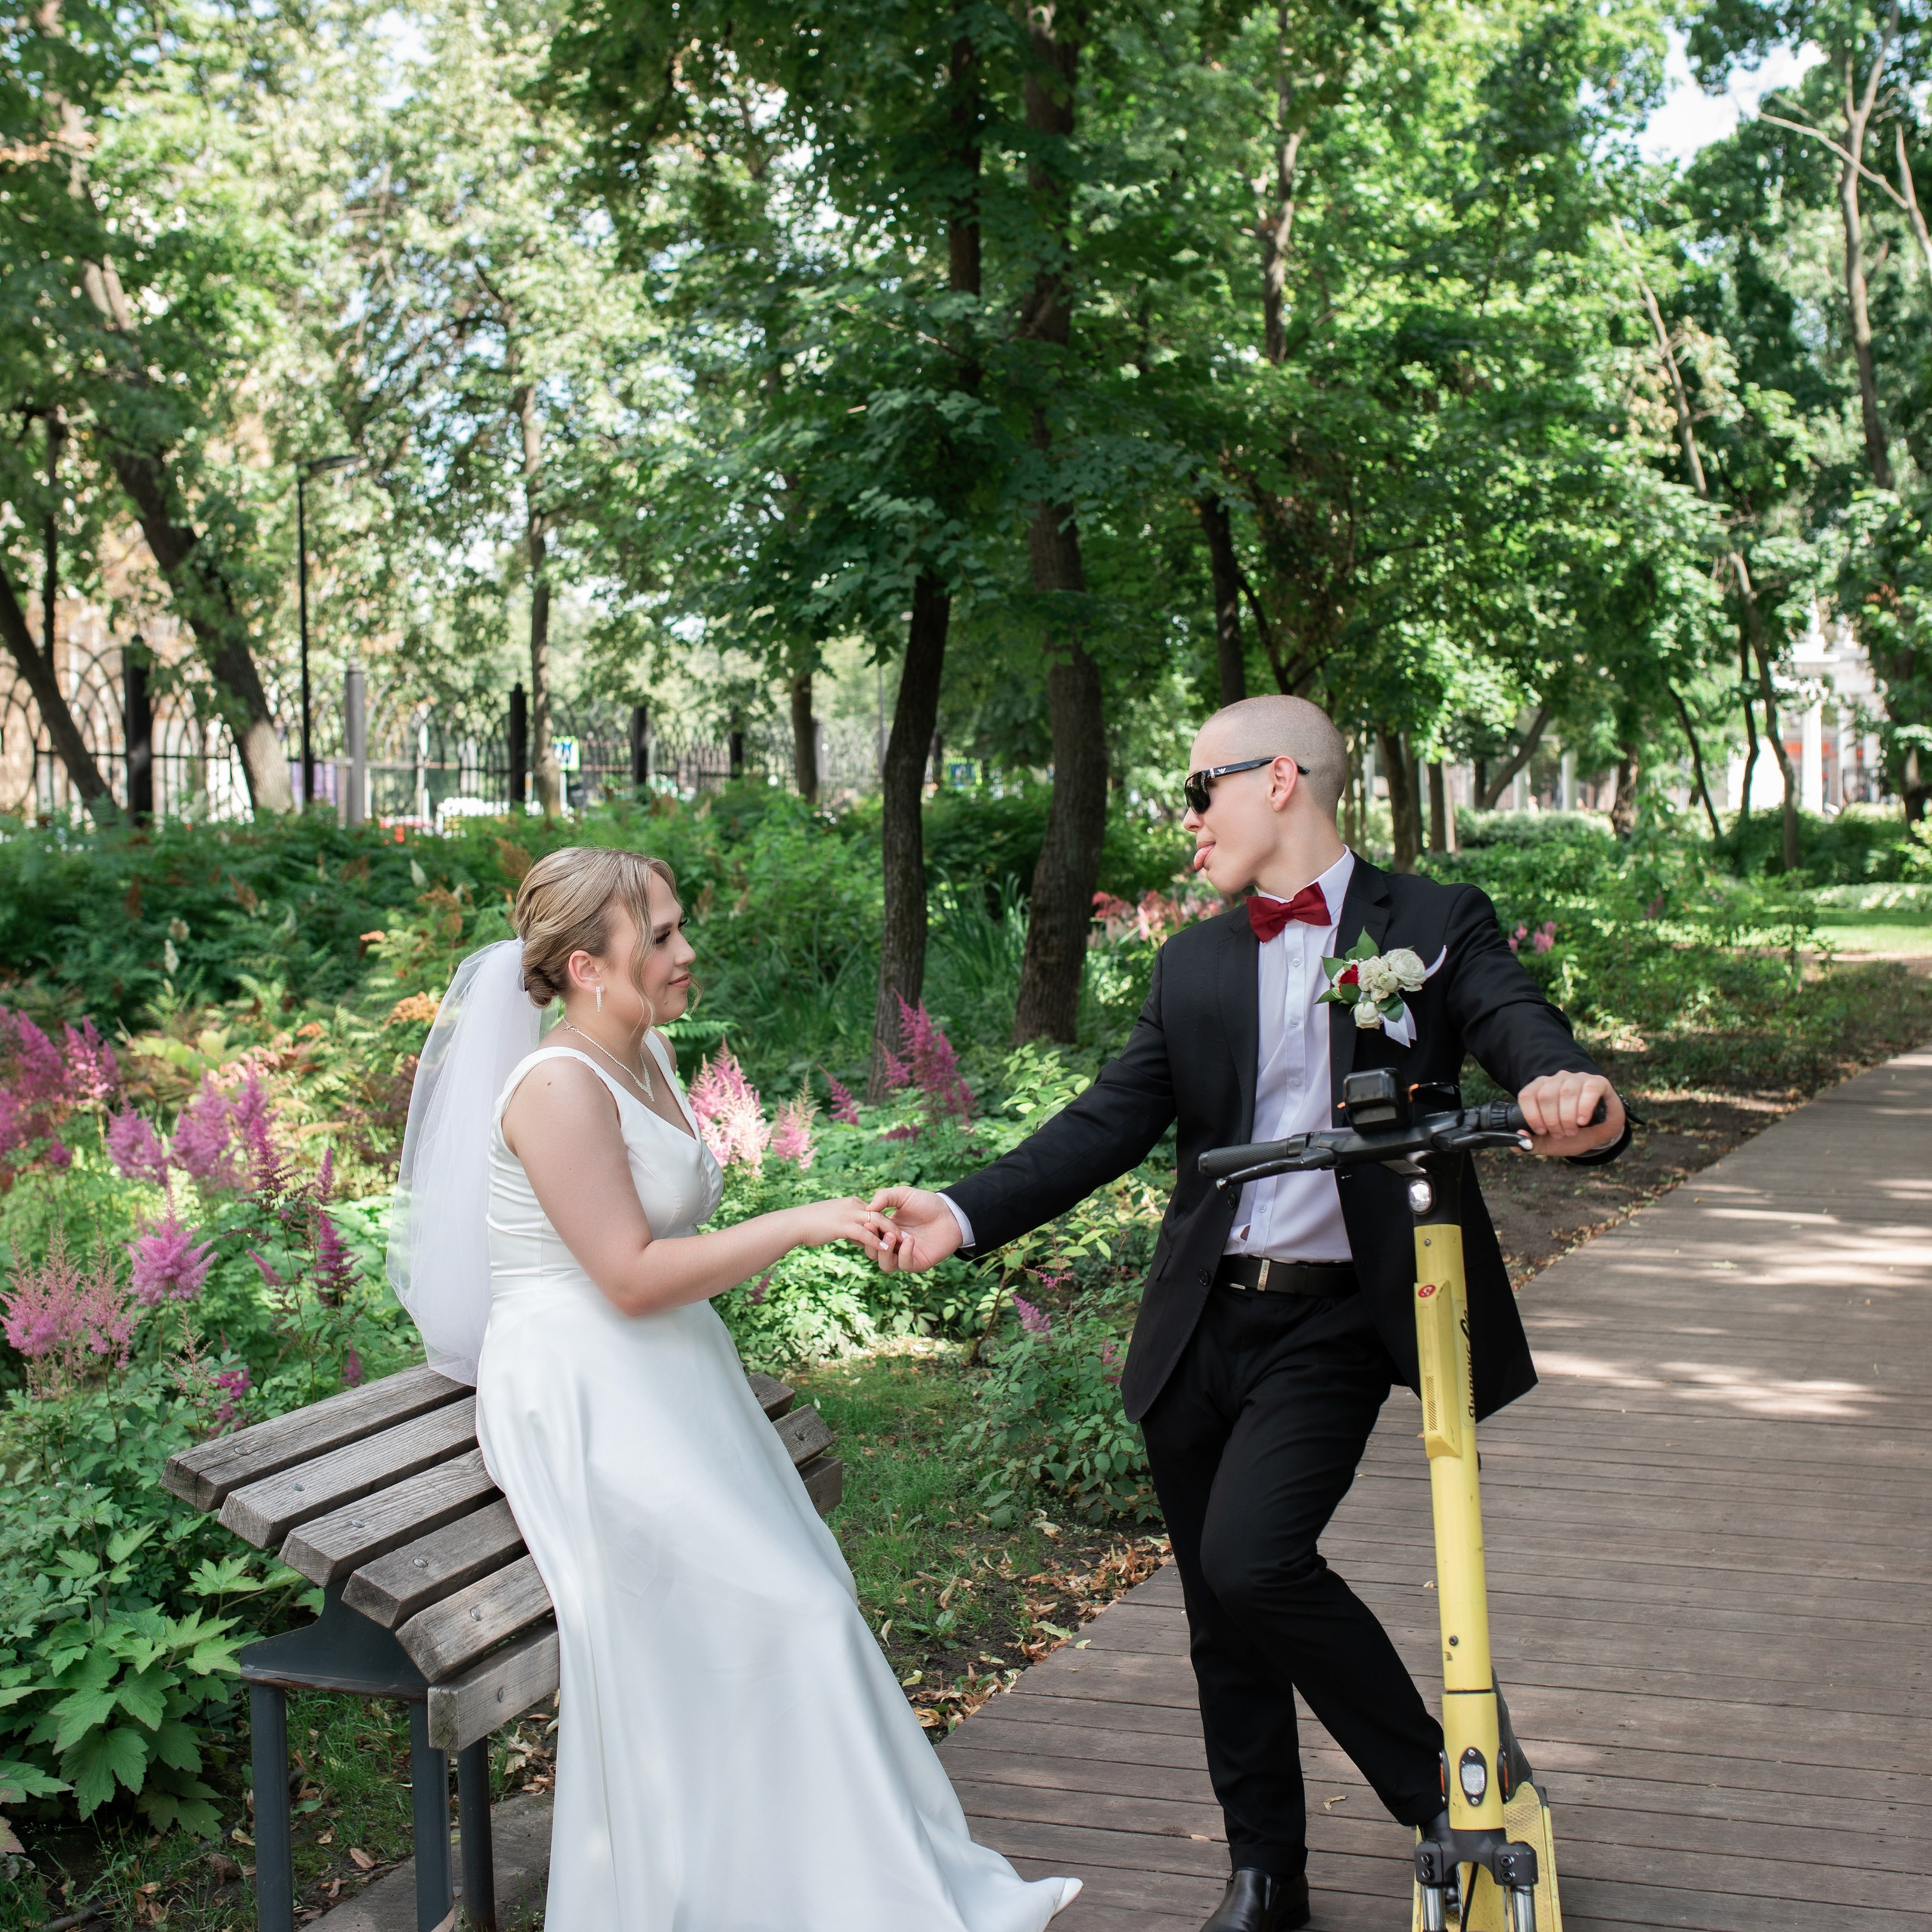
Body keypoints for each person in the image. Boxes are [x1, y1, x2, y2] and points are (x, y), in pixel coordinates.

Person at [868, 696, 1627, 1932]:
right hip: (1200, 1324)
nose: (1187, 822)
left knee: (1255, 1559)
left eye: (1197, 790)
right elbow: (1106, 1123)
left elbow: (1512, 1020)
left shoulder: (1427, 926)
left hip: (1335, 1320)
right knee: (1220, 1615)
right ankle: (1265, 1876)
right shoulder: (1195, 961)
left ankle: (1454, 1793)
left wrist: (1560, 1085)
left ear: (1279, 780)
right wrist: (957, 1213)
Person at [386, 844, 1081, 1931]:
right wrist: (803, 1221)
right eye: (658, 935)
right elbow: (623, 1274)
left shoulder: (642, 1053)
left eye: (675, 924)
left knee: (809, 1600)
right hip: (585, 1385)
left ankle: (823, 1883)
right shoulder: (558, 1084)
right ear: (583, 967)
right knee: (788, 1610)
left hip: (668, 1369)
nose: (684, 949)